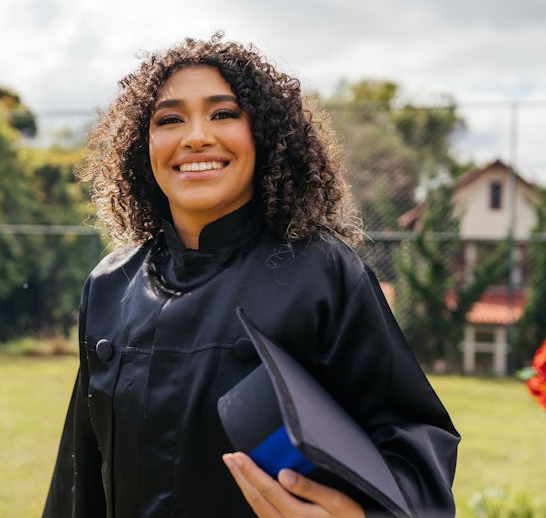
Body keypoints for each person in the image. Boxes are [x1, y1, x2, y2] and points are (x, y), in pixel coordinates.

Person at [43, 33, 460, 518]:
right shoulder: (110, 286)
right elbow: (79, 475)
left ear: (262, 134)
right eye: (170, 119)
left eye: (223, 114)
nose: (196, 136)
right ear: (144, 145)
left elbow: (414, 439)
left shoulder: (321, 273)